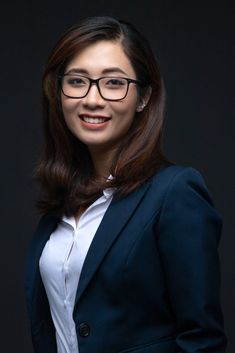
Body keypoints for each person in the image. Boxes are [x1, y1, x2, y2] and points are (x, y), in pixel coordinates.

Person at [25, 16, 227, 353]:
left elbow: (203, 339)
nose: (92, 99)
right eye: (77, 81)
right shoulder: (59, 209)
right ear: (58, 92)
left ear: (144, 97)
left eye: (114, 83)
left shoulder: (174, 192)